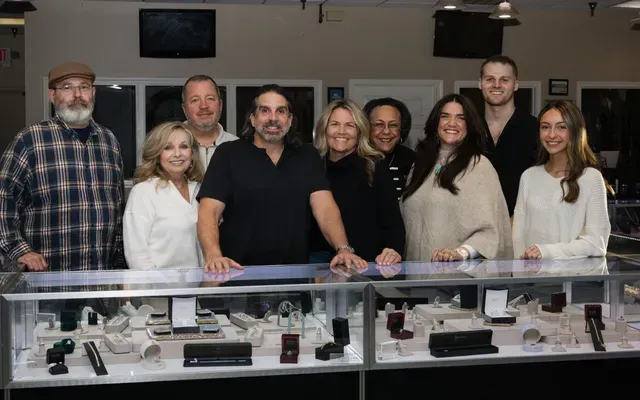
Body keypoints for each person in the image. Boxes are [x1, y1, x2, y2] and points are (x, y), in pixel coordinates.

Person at [197, 84, 366, 272]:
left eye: (281, 111)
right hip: (237, 274)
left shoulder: (307, 155)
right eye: (264, 110)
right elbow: (209, 211)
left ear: (290, 119)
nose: (273, 118)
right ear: (252, 119)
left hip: (295, 277)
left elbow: (325, 208)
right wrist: (213, 255)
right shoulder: (227, 154)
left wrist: (342, 248)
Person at [0, 62, 125, 272]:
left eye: (84, 87)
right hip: (49, 279)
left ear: (93, 93)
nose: (77, 94)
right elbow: (3, 198)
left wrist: (121, 261)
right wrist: (18, 250)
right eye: (67, 88)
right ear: (52, 96)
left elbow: (118, 206)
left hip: (101, 276)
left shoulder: (109, 141)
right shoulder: (30, 140)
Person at [402, 94, 512, 262]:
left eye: (460, 118)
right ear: (435, 122)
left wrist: (460, 253)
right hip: (415, 278)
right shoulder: (421, 164)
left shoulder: (479, 166)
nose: (451, 123)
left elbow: (490, 230)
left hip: (455, 278)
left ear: (470, 126)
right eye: (444, 116)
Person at [512, 100, 611, 259]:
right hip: (531, 280)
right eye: (545, 127)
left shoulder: (590, 178)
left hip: (574, 280)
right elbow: (517, 237)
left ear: (575, 131)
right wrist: (519, 275)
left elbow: (597, 243)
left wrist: (546, 251)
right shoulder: (529, 176)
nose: (551, 135)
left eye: (561, 127)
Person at [310, 99, 405, 265]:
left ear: (360, 131)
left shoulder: (374, 166)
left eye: (349, 125)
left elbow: (392, 220)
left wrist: (393, 249)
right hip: (319, 264)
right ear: (324, 129)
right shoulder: (314, 166)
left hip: (365, 265)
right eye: (335, 124)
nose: (341, 131)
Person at [124, 122, 205, 270]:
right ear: (156, 154)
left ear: (192, 154)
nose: (177, 154)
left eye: (184, 146)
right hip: (158, 290)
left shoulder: (200, 190)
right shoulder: (144, 192)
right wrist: (158, 291)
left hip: (197, 288)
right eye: (168, 148)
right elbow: (137, 254)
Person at [479, 55, 539, 217]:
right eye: (489, 79)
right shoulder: (467, 128)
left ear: (515, 85)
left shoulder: (536, 129)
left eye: (504, 79)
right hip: (473, 227)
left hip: (523, 227)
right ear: (480, 83)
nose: (496, 85)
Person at [363, 97, 416, 199]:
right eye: (379, 124)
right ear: (367, 128)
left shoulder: (414, 161)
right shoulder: (356, 160)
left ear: (401, 129)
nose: (386, 131)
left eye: (393, 125)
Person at [182, 75, 237, 169]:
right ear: (184, 109)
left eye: (210, 98)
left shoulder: (238, 147)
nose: (204, 106)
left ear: (220, 105)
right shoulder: (165, 146)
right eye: (195, 100)